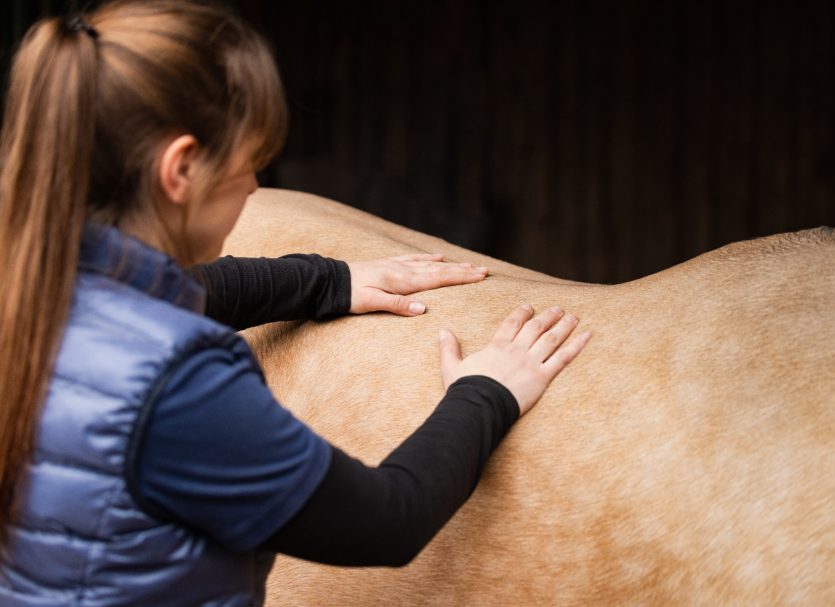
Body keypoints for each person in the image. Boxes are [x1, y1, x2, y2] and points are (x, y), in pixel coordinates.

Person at [0, 1, 591, 605]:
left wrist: (328, 281)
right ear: (180, 169)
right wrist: (487, 390)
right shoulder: (179, 386)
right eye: (249, 164)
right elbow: (386, 520)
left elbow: (200, 290)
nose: (256, 187)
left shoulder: (28, 287)